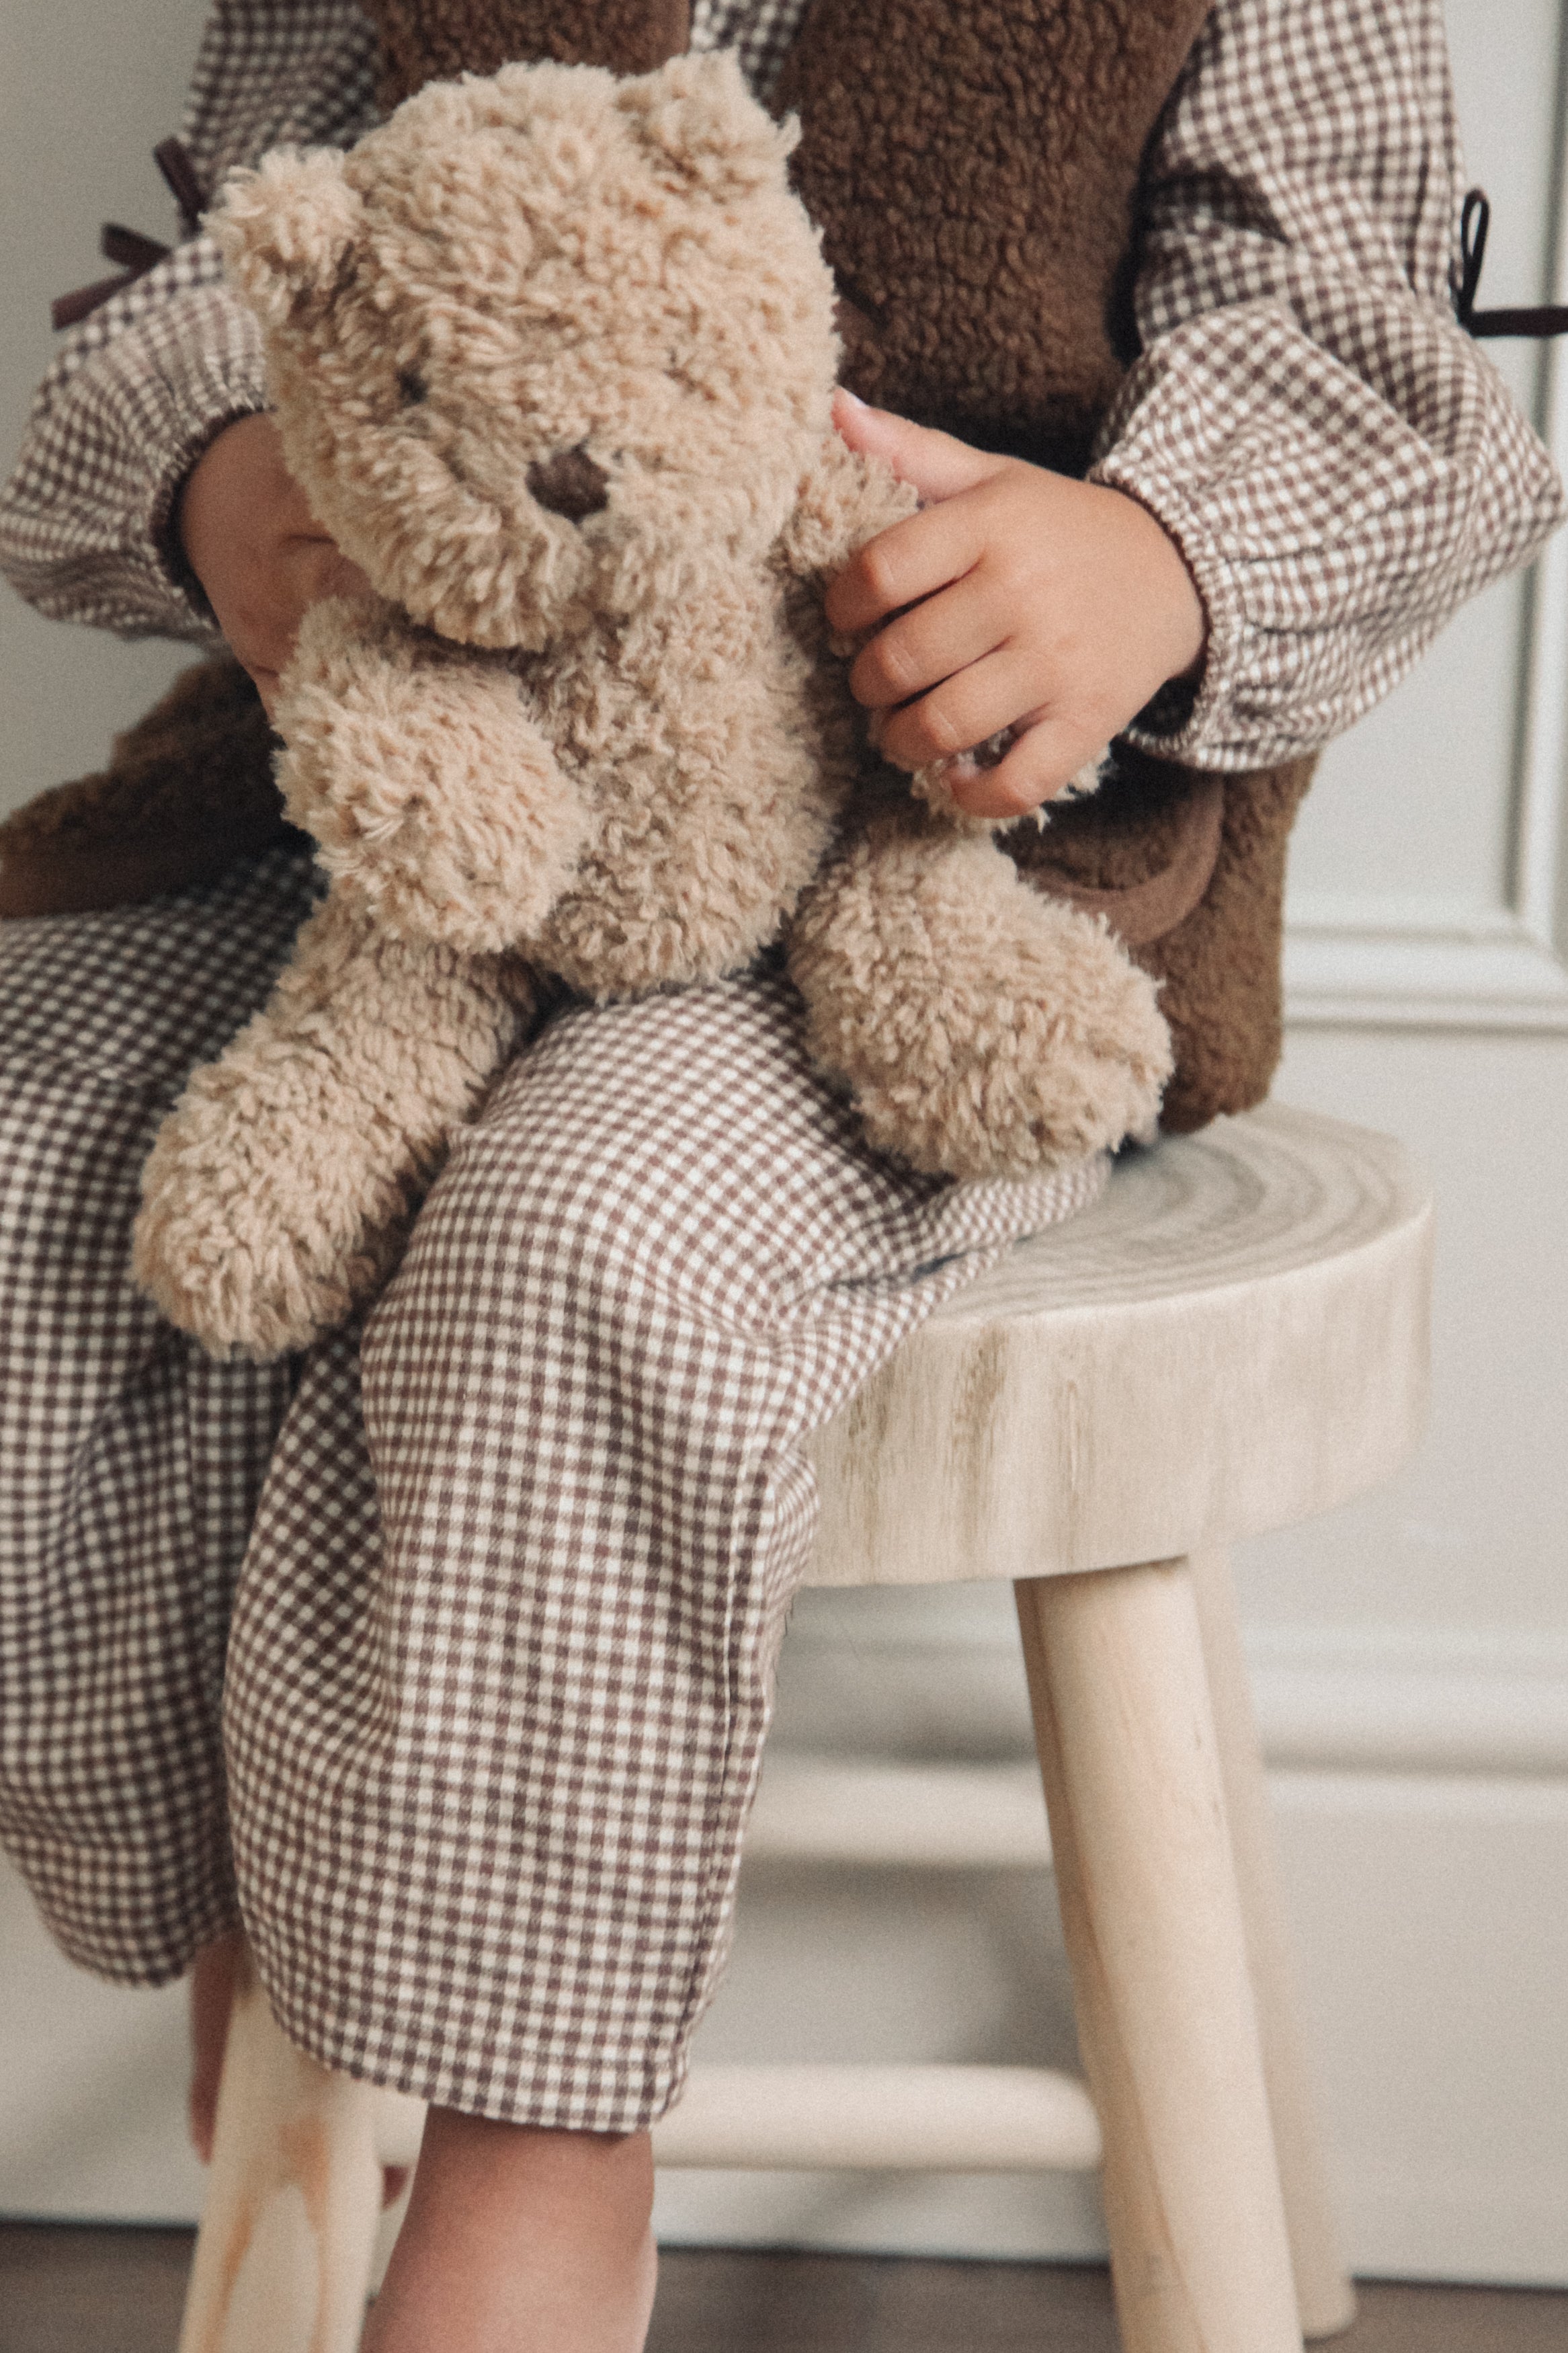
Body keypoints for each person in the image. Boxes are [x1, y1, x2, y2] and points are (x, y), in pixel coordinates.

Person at [0, 3, 1559, 2348]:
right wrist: (218, 475)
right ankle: (263, 1867)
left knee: (576, 1230)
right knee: (39, 1135)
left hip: (912, 863)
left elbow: (1380, 372)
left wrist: (1151, 553)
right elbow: (207, 272)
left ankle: (544, 2142)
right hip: (390, 800)